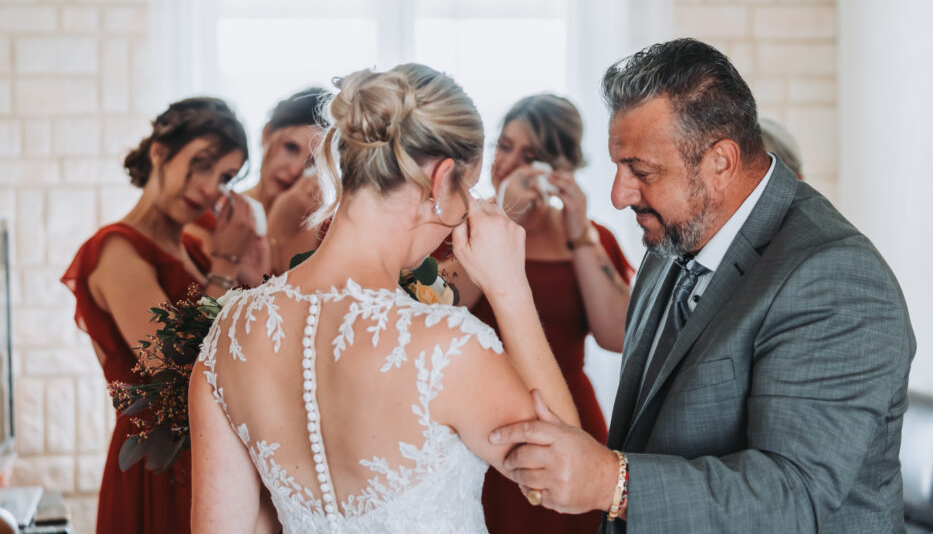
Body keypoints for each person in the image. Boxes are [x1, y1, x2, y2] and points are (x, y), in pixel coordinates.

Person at [490, 38, 916, 532]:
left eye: (641, 170)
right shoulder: (671, 239)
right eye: (617, 166)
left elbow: (794, 495)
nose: (618, 193)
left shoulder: (837, 278)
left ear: (720, 162)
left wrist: (613, 484)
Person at [188, 65, 581, 533]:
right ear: (440, 180)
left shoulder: (227, 338)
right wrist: (510, 290)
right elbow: (572, 480)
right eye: (466, 189)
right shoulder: (449, 349)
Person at [62, 97, 261, 534]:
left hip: (206, 461)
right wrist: (225, 264)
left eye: (225, 177)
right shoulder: (116, 251)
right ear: (159, 152)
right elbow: (172, 372)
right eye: (202, 164)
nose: (211, 187)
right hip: (159, 468)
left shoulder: (191, 248)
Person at [438, 94, 634, 534]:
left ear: (561, 168)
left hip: (568, 413)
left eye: (532, 157)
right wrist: (505, 216)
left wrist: (580, 234)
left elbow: (618, 335)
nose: (509, 164)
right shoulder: (464, 229)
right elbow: (440, 307)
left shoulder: (589, 236)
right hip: (481, 423)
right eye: (504, 147)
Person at [188, 87, 330, 276]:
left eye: (312, 161)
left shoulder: (327, 232)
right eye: (290, 147)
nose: (295, 169)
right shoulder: (211, 214)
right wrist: (275, 232)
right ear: (266, 134)